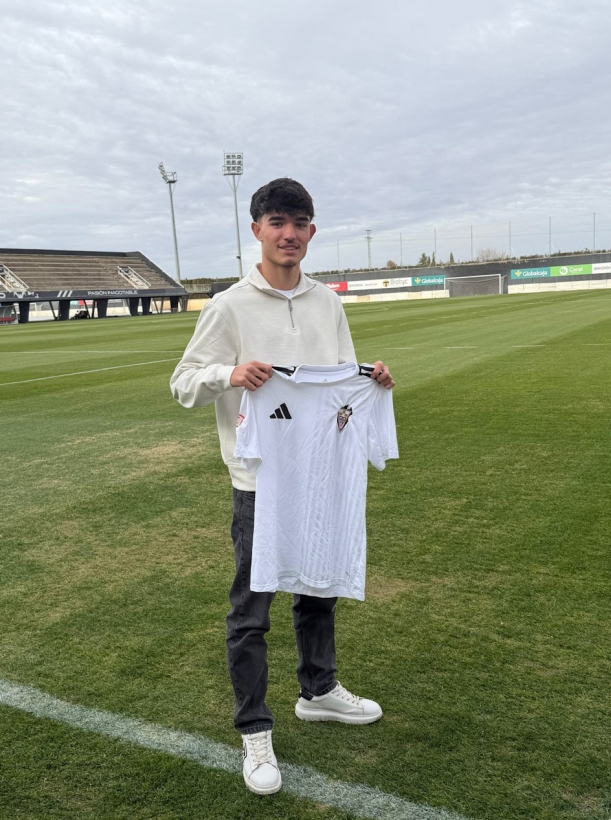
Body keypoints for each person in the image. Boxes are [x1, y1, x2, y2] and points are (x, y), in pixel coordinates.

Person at [170, 178, 394, 795]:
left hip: (320, 473)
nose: (289, 233)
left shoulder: (328, 303)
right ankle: (254, 730)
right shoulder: (228, 306)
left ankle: (318, 690)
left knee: (317, 589)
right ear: (257, 230)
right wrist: (229, 373)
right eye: (277, 222)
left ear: (312, 232)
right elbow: (184, 383)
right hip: (260, 479)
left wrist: (371, 382)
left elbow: (338, 381)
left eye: (299, 223)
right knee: (252, 606)